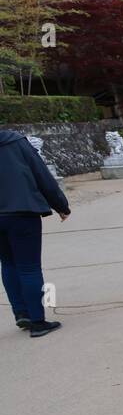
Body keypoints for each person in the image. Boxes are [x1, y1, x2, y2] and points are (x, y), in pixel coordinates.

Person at [0, 130, 71, 337]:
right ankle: (38, 322)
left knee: (8, 264)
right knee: (29, 267)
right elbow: (40, 173)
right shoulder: (15, 141)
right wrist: (60, 205)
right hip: (22, 211)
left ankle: (21, 312)